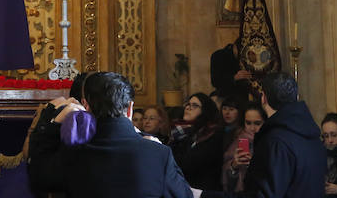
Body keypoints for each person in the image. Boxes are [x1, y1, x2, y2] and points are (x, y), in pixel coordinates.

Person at [27, 71, 194, 198]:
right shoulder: (158, 154)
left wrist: (50, 122)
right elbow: (184, 194)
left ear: (85, 106)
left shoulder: (72, 153)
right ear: (130, 108)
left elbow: (38, 177)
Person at [201, 72, 327, 198]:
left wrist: (204, 196)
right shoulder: (312, 135)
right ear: (296, 96)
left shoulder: (276, 140)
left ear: (263, 98)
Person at [168, 92, 226, 190]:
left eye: (195, 106)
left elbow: (189, 163)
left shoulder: (213, 133)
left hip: (204, 190)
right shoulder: (182, 133)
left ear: (205, 110)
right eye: (188, 104)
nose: (188, 108)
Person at [221, 103, 267, 192]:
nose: (252, 128)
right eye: (248, 123)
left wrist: (254, 164)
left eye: (257, 123)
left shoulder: (270, 142)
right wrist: (234, 165)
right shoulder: (237, 140)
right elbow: (225, 177)